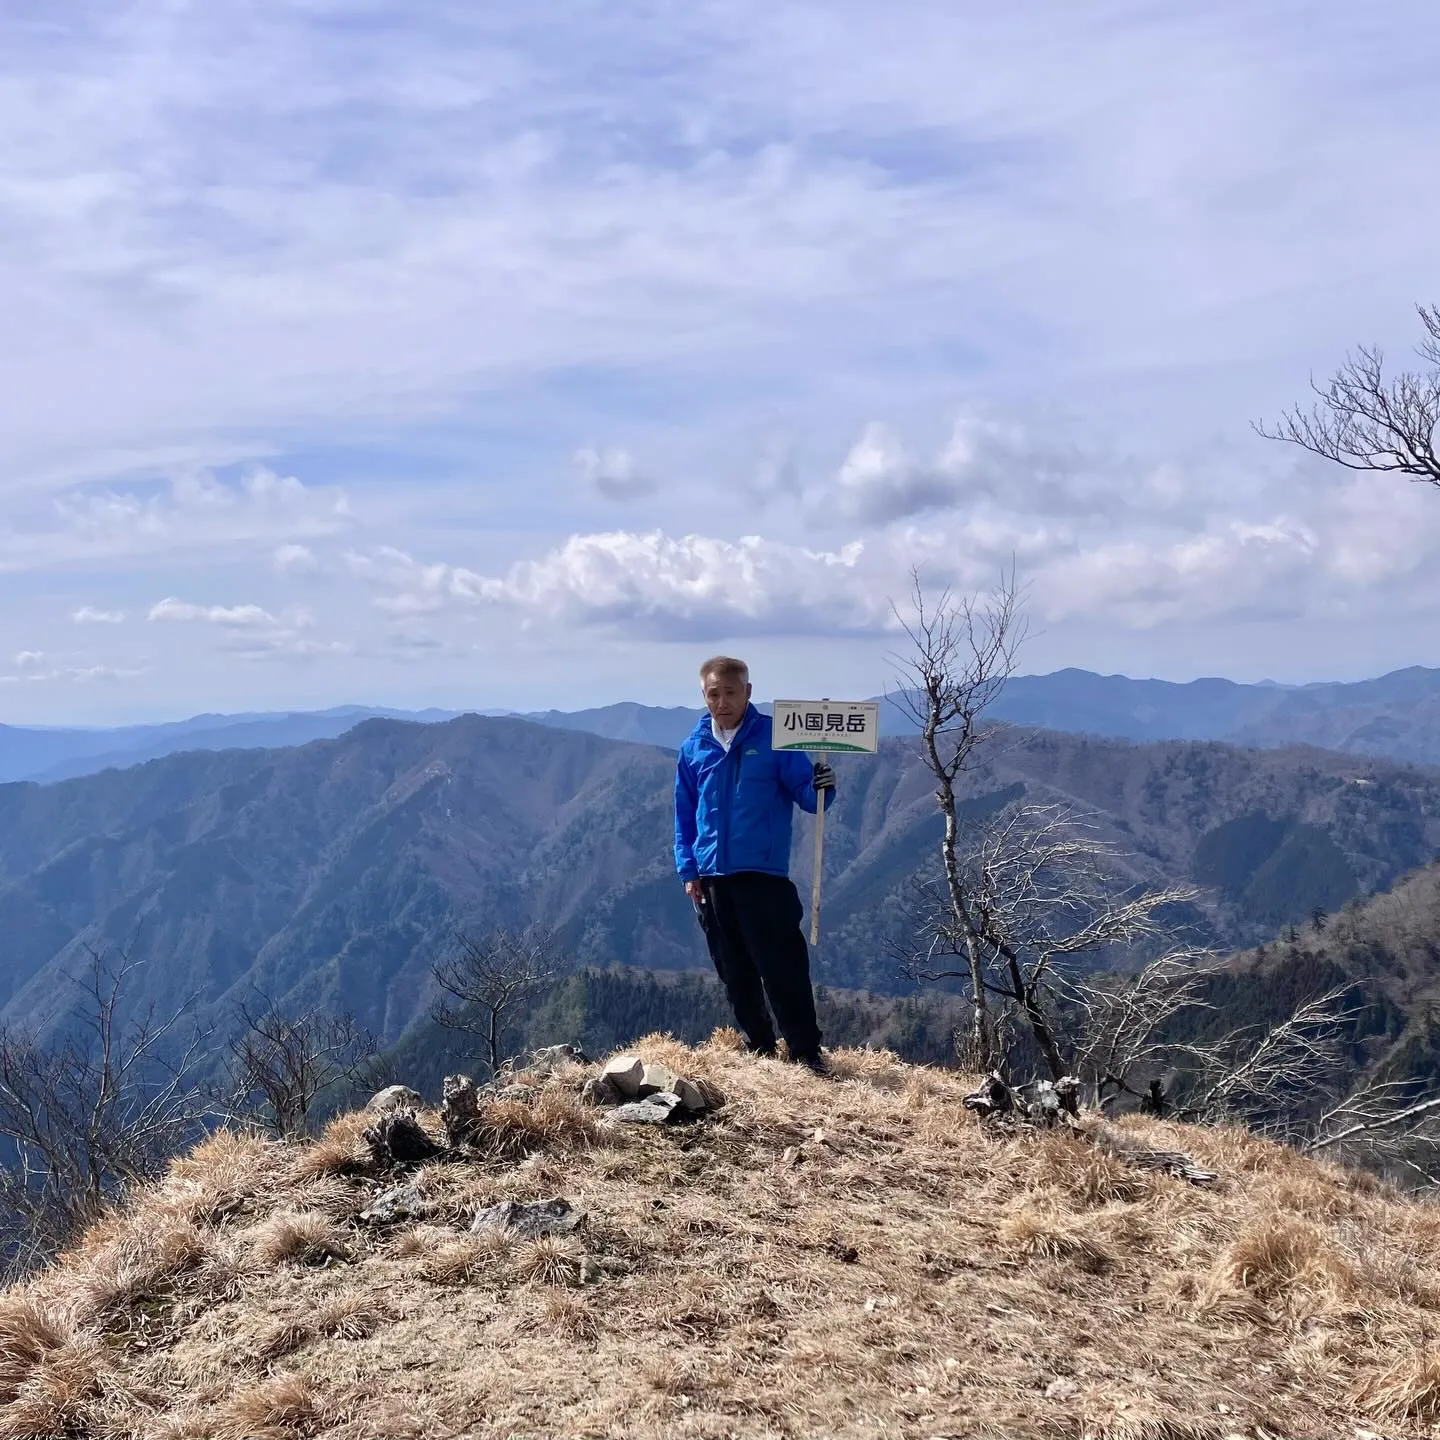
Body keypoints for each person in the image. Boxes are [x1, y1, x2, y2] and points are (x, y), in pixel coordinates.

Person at [673, 655, 835, 1074]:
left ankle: (804, 1051)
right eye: (714, 693)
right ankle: (758, 1044)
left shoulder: (775, 739)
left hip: (763, 875)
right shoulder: (694, 747)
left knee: (781, 966)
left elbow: (807, 797)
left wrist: (821, 785)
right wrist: (688, 869)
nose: (722, 701)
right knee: (733, 970)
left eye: (730, 692)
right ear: (703, 695)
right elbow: (684, 813)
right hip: (712, 875)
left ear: (748, 692)